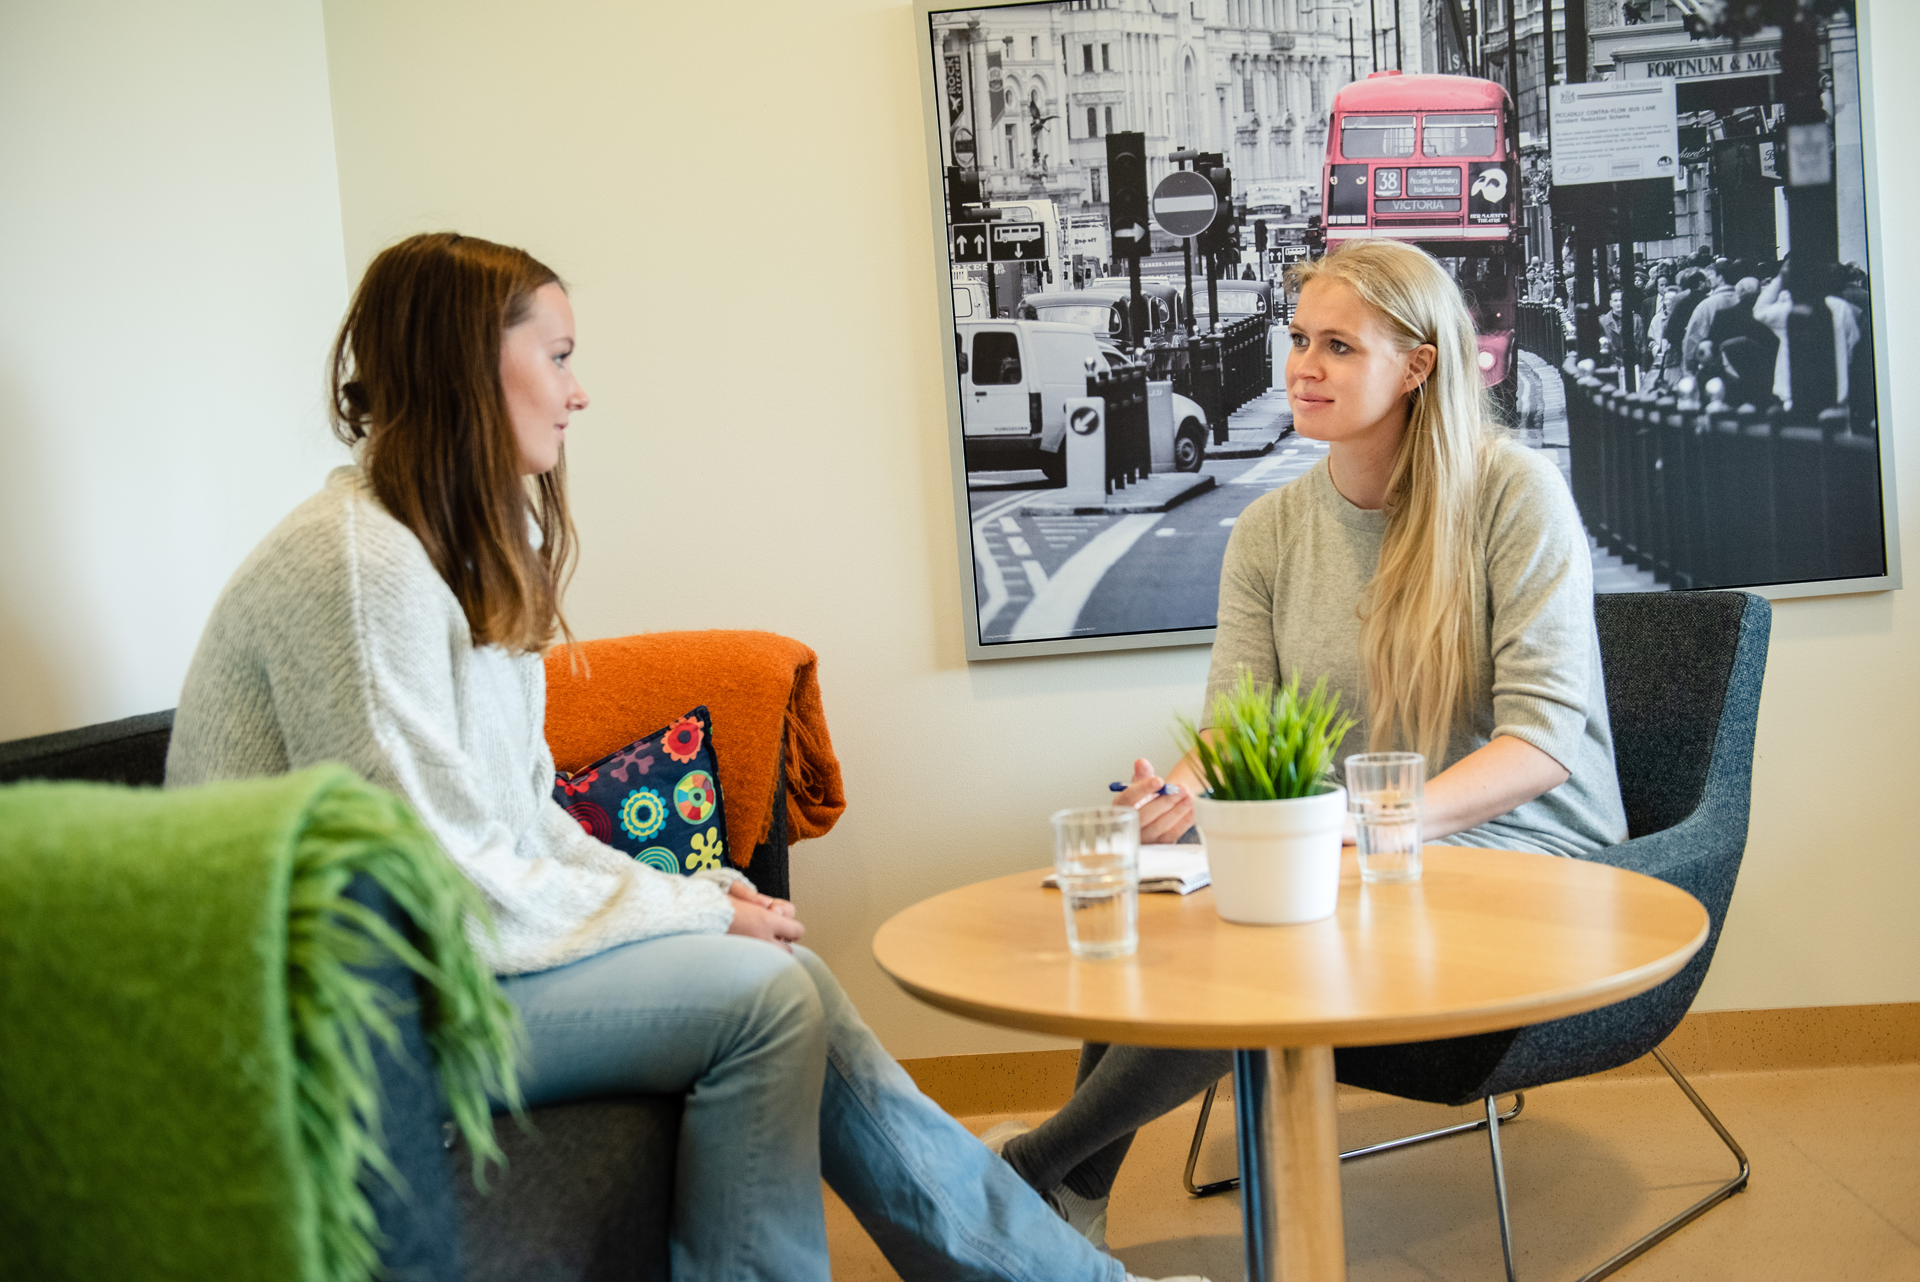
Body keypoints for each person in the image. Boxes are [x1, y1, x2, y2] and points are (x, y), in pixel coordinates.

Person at [165, 233, 1205, 1282]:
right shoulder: (359, 568)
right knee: (763, 998)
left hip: (432, 983)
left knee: (782, 971)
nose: (580, 394)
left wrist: (703, 888)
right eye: (560, 356)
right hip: (340, 1026)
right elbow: (441, 892)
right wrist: (703, 907)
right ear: (470, 366)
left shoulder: (457, 557)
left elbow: (530, 827)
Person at [985, 239, 1629, 1247]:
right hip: (1354, 849)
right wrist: (1185, 797)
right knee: (1174, 871)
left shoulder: (1514, 493)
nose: (1300, 368)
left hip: (1532, 847)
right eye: (1297, 341)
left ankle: (1032, 1169)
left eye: (1337, 346)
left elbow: (1544, 744)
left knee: (1282, 904)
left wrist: (1348, 828)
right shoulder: (1270, 530)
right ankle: (1074, 1189)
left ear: (1416, 365)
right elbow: (1239, 730)